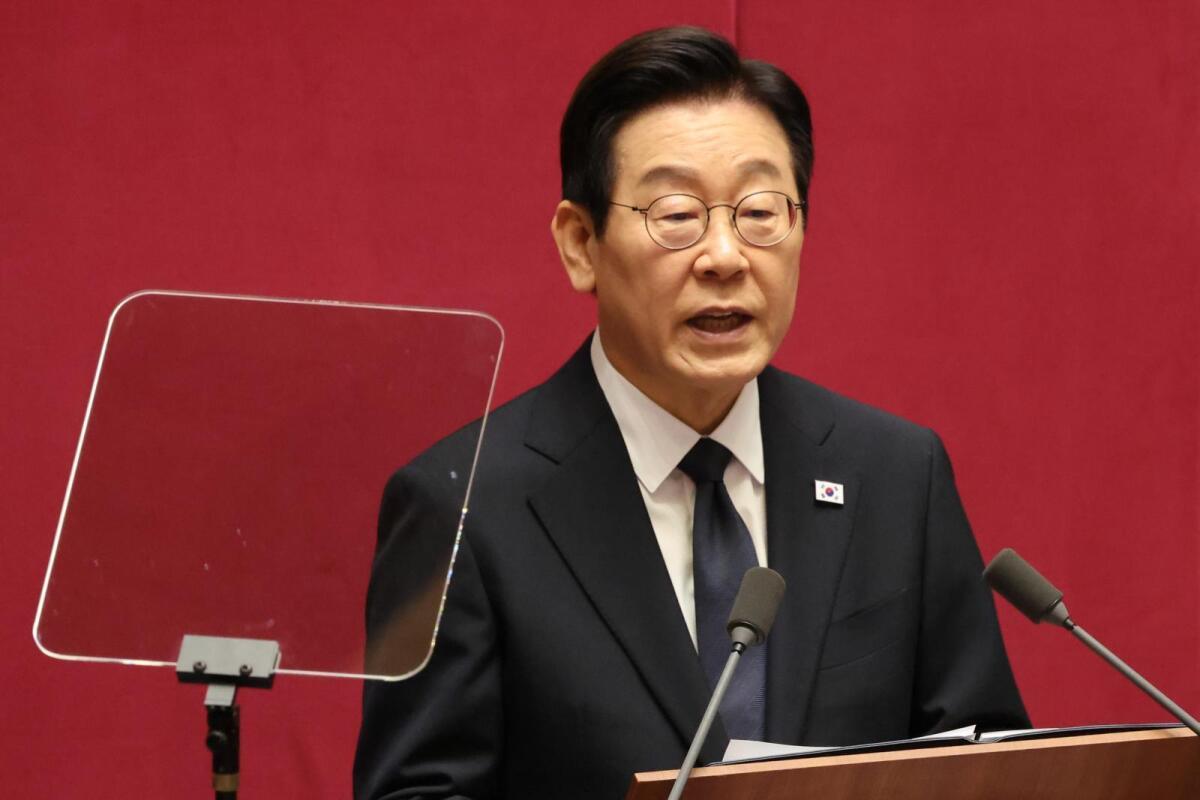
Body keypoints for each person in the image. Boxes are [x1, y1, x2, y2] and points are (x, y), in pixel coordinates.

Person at [354, 26, 1028, 800]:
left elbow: (989, 772)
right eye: (676, 215)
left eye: (760, 211)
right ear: (581, 243)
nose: (725, 257)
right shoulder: (465, 506)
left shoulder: (896, 476)